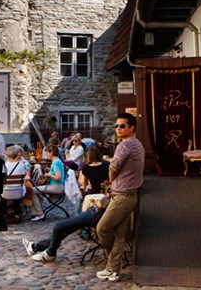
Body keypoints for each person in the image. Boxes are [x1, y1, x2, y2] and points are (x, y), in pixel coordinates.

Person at [95, 112, 144, 282]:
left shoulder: (125, 145)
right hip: (130, 195)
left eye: (122, 126)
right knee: (119, 234)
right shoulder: (138, 144)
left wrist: (111, 181)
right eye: (116, 126)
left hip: (122, 196)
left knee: (102, 228)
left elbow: (113, 168)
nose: (118, 128)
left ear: (131, 127)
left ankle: (113, 263)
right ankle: (113, 269)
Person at [23, 196, 111, 262]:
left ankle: (49, 253)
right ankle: (36, 247)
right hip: (96, 210)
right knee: (64, 229)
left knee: (59, 227)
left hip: (97, 212)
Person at [29, 146, 65, 222]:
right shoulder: (57, 161)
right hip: (57, 186)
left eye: (47, 153)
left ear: (51, 152)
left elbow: (58, 177)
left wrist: (49, 175)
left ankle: (39, 214)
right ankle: (37, 212)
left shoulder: (55, 162)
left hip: (57, 187)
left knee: (31, 190)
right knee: (34, 190)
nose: (46, 155)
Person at [3, 145, 31, 221]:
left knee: (2, 191)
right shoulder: (21, 165)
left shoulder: (3, 165)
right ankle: (17, 214)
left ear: (7, 154)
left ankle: (3, 213)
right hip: (19, 192)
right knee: (16, 189)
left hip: (5, 193)